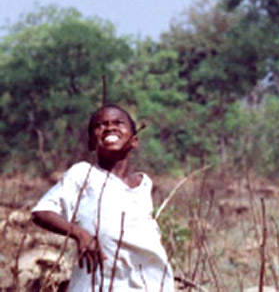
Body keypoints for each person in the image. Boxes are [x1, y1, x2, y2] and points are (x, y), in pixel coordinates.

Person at [32, 104, 175, 291]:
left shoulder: (143, 184)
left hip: (150, 283)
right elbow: (41, 212)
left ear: (134, 140)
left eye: (118, 123)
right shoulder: (83, 174)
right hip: (97, 284)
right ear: (92, 143)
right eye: (101, 125)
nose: (110, 127)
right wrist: (80, 234)